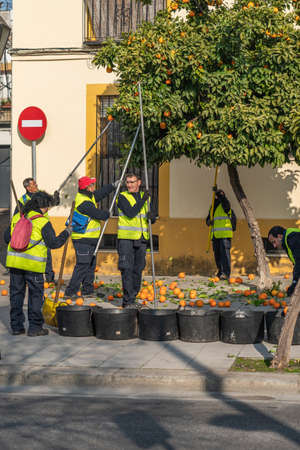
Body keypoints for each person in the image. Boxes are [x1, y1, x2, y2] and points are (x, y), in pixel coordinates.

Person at [4, 191, 71, 336]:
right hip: (33, 266)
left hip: (14, 263)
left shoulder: (17, 217)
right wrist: (66, 233)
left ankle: (16, 327)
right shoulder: (42, 222)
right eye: (47, 206)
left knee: (16, 295)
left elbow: (6, 238)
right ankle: (35, 328)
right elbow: (53, 243)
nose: (47, 209)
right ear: (42, 206)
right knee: (35, 295)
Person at [64, 176, 117, 299]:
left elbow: (100, 194)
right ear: (87, 188)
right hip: (83, 239)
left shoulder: (89, 196)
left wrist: (113, 185)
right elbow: (98, 214)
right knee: (82, 265)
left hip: (90, 238)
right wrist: (107, 214)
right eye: (92, 185)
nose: (94, 187)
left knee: (90, 265)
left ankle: (87, 290)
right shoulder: (84, 202)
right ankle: (70, 292)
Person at [117, 173, 156, 308]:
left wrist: (152, 217)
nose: (129, 185)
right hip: (126, 239)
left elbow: (150, 216)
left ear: (139, 182)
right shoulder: (122, 197)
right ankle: (127, 301)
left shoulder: (146, 198)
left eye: (132, 182)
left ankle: (133, 297)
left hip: (141, 238)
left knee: (138, 269)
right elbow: (131, 212)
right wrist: (143, 199)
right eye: (127, 182)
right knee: (126, 269)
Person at [16, 177, 60, 283]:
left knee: (47, 255)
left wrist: (56, 198)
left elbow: (52, 203)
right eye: (34, 184)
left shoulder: (40, 195)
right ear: (28, 187)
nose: (36, 185)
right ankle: (27, 279)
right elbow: (18, 216)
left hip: (43, 227)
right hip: (30, 231)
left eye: (35, 183)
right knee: (28, 256)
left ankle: (50, 278)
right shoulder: (23, 200)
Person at [206, 189, 236, 280]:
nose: (217, 197)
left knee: (225, 255)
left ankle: (226, 273)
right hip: (215, 235)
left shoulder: (225, 205)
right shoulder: (212, 207)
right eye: (216, 195)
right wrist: (209, 221)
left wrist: (220, 195)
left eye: (219, 195)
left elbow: (225, 204)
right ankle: (220, 272)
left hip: (224, 235)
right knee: (217, 255)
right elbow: (207, 220)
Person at [268, 226, 300, 296]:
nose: (274, 246)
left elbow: (299, 261)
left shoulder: (292, 237)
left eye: (274, 242)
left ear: (279, 236)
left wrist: (294, 283)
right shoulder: (287, 239)